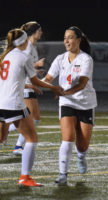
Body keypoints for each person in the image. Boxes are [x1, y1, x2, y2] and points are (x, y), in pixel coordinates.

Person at [0, 28, 62, 187]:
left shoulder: (6, 56)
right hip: (13, 103)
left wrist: (28, 86)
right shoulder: (24, 57)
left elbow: (12, 80)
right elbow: (36, 80)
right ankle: (25, 177)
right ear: (24, 41)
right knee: (32, 139)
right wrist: (55, 88)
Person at [42, 26, 97, 184]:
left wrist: (63, 92)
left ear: (78, 40)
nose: (67, 40)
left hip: (85, 102)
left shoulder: (86, 59)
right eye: (65, 37)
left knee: (82, 145)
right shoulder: (60, 59)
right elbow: (48, 79)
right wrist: (31, 84)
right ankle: (62, 175)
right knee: (67, 138)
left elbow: (81, 84)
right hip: (66, 103)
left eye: (71, 37)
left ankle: (81, 156)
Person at [8, 21, 46, 156]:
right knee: (32, 119)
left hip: (30, 84)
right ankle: (17, 145)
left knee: (35, 119)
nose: (41, 33)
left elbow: (28, 67)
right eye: (39, 30)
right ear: (34, 32)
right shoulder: (28, 46)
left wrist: (36, 71)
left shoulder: (32, 46)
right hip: (25, 86)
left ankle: (14, 139)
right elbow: (21, 64)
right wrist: (36, 64)